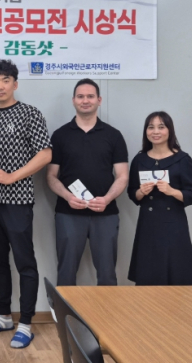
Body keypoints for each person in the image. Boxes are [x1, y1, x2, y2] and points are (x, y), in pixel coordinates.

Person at [0, 60, 52, 349]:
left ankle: (26, 323)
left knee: (24, 262)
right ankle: (3, 315)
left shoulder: (30, 113)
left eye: (5, 80)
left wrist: (13, 176)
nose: (0, 86)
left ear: (15, 84)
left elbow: (45, 154)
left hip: (17, 200)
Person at [46, 79, 128, 287]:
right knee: (66, 273)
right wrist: (68, 197)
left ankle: (106, 311)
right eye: (80, 96)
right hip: (68, 213)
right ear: (73, 100)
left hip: (105, 213)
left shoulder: (114, 135)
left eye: (90, 96)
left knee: (107, 275)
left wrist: (107, 199)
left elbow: (122, 176)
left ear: (99, 100)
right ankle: (65, 311)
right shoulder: (60, 135)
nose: (85, 100)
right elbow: (51, 176)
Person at [127, 111, 192, 285]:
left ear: (170, 130)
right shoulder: (139, 159)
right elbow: (132, 193)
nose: (156, 131)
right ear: (146, 131)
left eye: (161, 127)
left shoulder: (182, 159)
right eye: (151, 127)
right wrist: (141, 192)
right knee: (149, 273)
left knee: (177, 272)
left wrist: (172, 191)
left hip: (174, 223)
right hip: (148, 223)